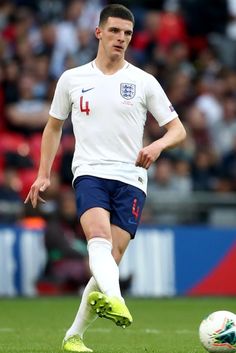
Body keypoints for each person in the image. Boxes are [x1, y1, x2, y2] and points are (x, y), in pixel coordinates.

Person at [24, 4, 186, 352]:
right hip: (90, 173)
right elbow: (53, 127)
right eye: (114, 31)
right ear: (99, 32)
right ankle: (117, 298)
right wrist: (43, 174)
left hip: (131, 179)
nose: (121, 39)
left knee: (109, 260)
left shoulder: (143, 82)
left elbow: (178, 130)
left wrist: (157, 146)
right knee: (97, 238)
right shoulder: (73, 79)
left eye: (127, 33)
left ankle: (73, 336)